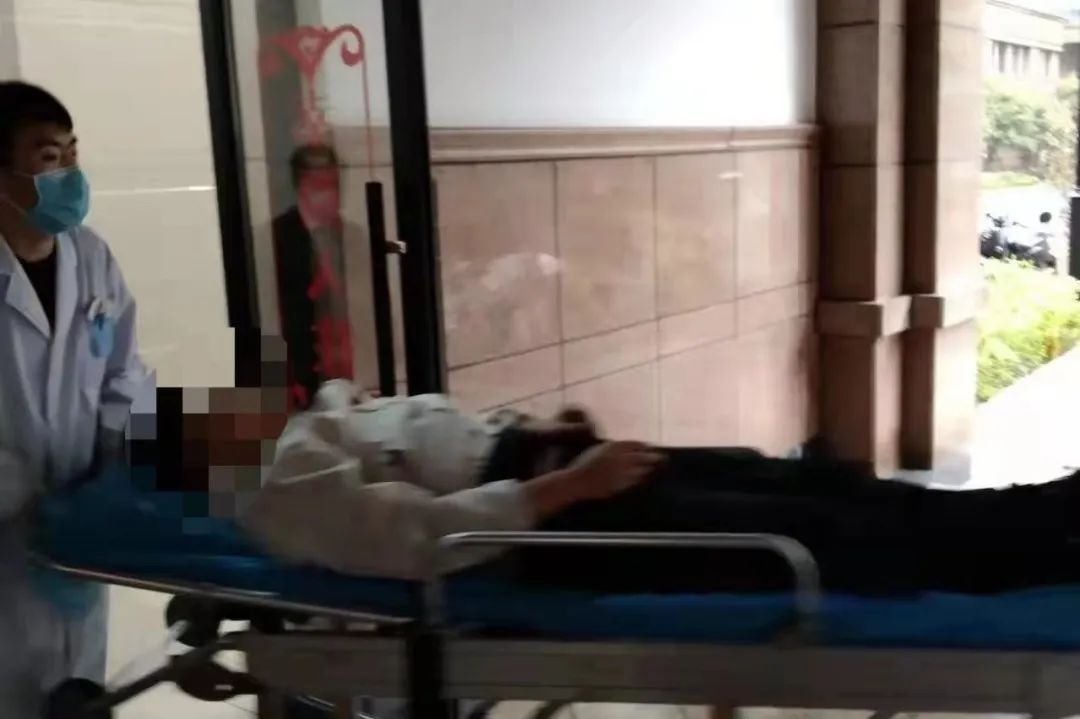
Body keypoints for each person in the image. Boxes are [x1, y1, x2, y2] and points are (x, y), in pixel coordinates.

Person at [215, 381, 1080, 597]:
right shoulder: (275, 478)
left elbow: (438, 449)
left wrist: (551, 433)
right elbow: (411, 540)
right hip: (553, 524)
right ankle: (1038, 545)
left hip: (568, 474)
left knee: (808, 477)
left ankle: (1042, 509)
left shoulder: (323, 418)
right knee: (815, 530)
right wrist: (565, 487)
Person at [0, 82, 146, 717]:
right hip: (8, 535)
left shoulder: (89, 256)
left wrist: (117, 468)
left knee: (77, 694)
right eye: (49, 157)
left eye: (72, 153)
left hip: (82, 535)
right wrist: (25, 495)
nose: (71, 175)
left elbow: (124, 372)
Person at [271, 144, 355, 411]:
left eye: (335, 184)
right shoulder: (276, 238)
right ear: (302, 186)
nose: (333, 194)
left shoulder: (348, 234)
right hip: (301, 379)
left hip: (346, 372)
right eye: (323, 185)